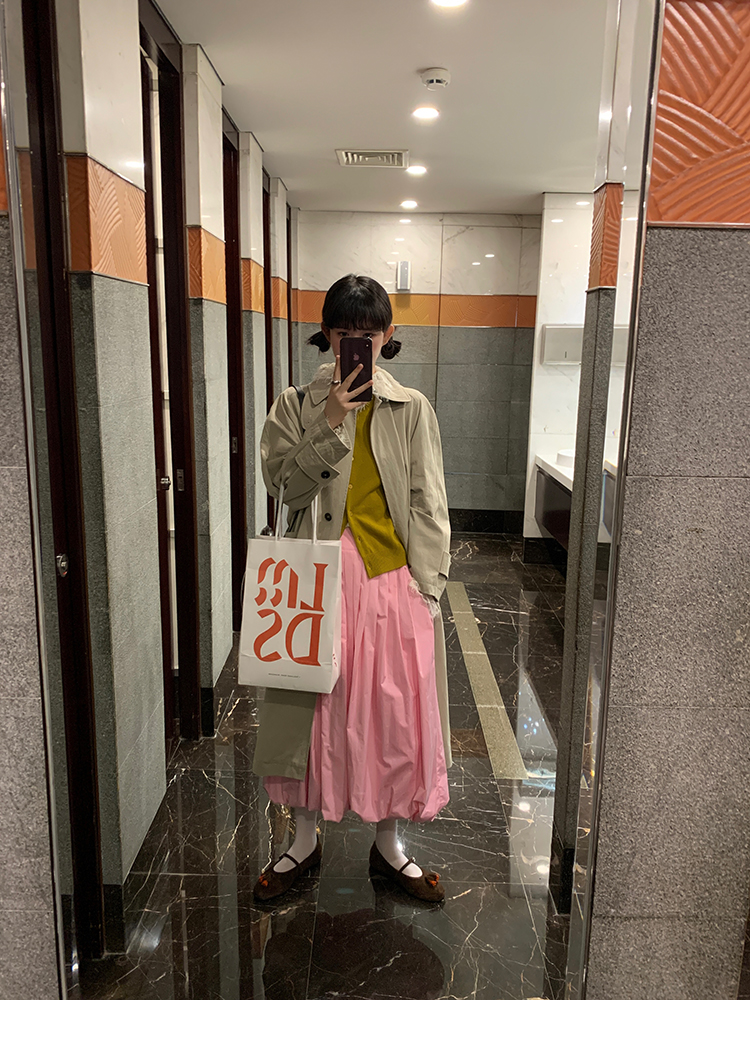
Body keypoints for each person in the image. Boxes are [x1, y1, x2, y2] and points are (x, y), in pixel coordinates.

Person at [252, 273, 452, 903]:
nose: (354, 346)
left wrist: (428, 589)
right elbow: (282, 487)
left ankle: (389, 845)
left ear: (387, 336)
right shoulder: (294, 405)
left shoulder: (411, 408)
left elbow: (428, 503)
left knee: (392, 716)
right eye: (343, 333)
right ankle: (303, 839)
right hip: (315, 583)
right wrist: (331, 420)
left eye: (368, 334)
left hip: (390, 584)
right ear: (326, 334)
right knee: (310, 717)